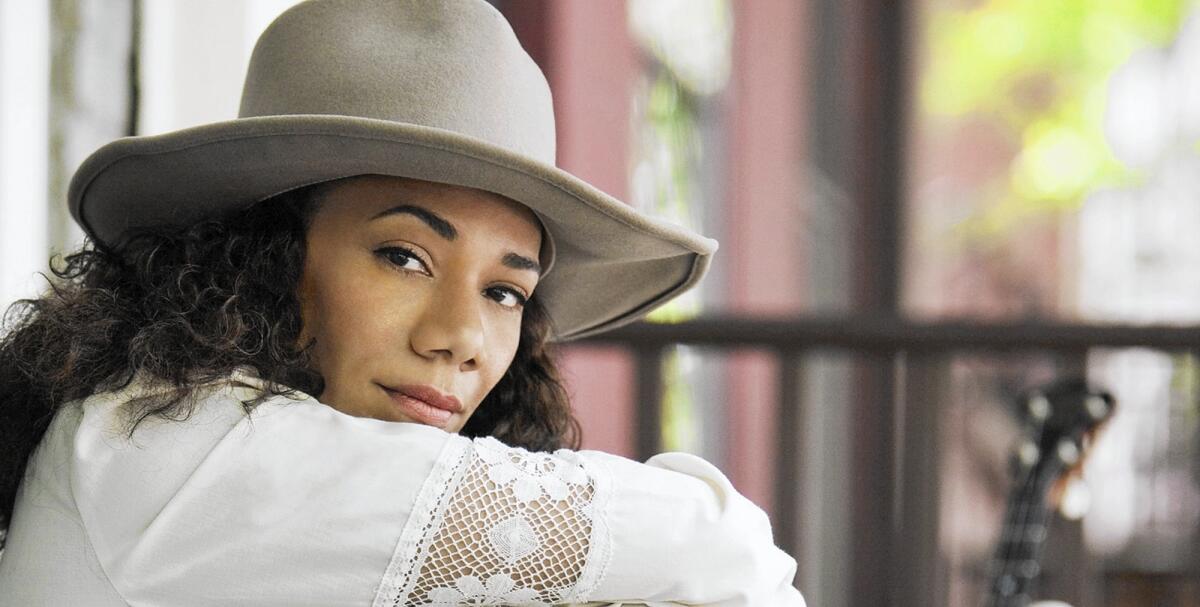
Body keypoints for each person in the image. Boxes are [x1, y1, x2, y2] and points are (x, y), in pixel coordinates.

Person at [0, 1, 806, 605]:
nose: (460, 337)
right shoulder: (167, 449)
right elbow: (724, 549)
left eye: (503, 291)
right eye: (404, 256)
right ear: (260, 256)